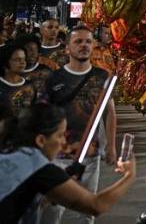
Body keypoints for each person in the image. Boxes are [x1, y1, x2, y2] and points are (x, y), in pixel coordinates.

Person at [0, 102, 135, 223]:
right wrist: (129, 175)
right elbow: (96, 205)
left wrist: (59, 184)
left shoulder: (9, 152)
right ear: (41, 140)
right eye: (60, 136)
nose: (64, 142)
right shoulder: (39, 168)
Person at [41, 26, 116, 224]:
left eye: (88, 42)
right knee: (51, 212)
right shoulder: (54, 79)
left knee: (87, 210)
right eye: (78, 42)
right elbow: (43, 116)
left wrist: (111, 145)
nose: (84, 45)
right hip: (58, 157)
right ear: (67, 49)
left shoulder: (102, 76)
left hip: (90, 157)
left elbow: (109, 112)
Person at [0, 44, 37, 114]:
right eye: (17, 59)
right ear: (5, 61)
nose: (23, 62)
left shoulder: (30, 85)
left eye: (24, 59)